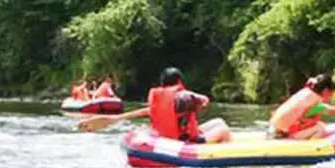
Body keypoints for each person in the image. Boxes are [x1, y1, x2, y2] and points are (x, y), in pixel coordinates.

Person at [79, 67, 231, 143]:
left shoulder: (158, 98)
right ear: (179, 82)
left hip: (165, 137)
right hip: (186, 141)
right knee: (223, 128)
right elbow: (205, 100)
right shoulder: (186, 96)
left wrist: (117, 118)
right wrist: (197, 106)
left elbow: (147, 111)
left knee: (218, 121)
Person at [268, 74, 335, 140]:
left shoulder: (305, 93)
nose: (330, 97)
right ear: (325, 91)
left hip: (274, 127)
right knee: (319, 128)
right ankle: (309, 149)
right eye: (331, 93)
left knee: (319, 123)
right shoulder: (317, 106)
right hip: (284, 133)